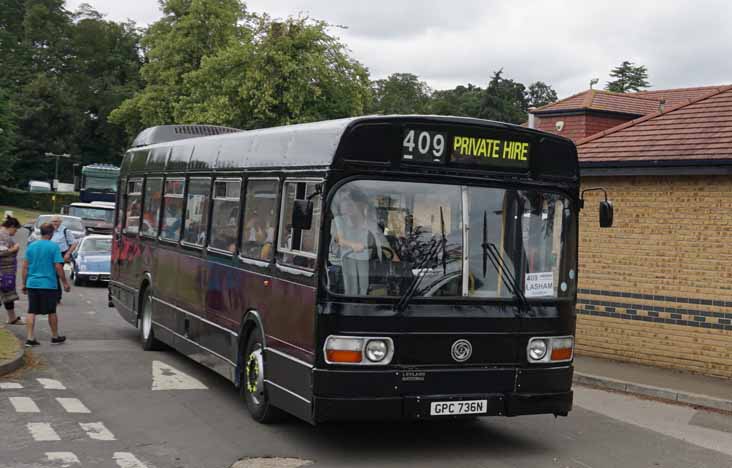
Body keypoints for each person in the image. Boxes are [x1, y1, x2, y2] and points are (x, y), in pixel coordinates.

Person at [329, 190, 395, 295]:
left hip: (367, 269)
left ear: (362, 205)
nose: (346, 205)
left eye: (350, 202)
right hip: (341, 269)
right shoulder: (338, 222)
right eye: (344, 202)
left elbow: (386, 247)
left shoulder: (372, 225)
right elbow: (339, 240)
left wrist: (399, 265)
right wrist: (353, 245)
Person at [21, 222, 69, 347]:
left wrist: (24, 284)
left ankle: (30, 338)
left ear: (41, 232)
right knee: (51, 311)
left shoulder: (31, 246)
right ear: (51, 233)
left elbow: (25, 267)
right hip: (48, 284)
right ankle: (54, 336)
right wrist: (64, 283)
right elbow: (58, 266)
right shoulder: (54, 247)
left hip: (33, 283)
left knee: (31, 310)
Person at [0, 215, 22, 325]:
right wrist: (14, 249)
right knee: (2, 296)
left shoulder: (6, 235)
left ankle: (12, 318)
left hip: (7, 272)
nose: (16, 232)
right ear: (11, 226)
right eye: (16, 229)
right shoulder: (1, 235)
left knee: (9, 296)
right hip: (2, 272)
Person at [49, 216, 77, 303]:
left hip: (61, 254)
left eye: (56, 221)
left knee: (56, 274)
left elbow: (74, 243)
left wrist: (68, 253)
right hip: (50, 254)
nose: (55, 223)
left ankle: (57, 297)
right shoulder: (49, 230)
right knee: (52, 275)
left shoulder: (65, 231)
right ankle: (54, 295)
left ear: (60, 222)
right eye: (53, 221)